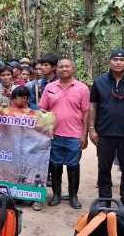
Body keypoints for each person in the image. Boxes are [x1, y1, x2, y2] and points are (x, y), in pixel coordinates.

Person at [88, 49, 124, 215]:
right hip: (104, 132)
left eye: (122, 60)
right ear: (110, 61)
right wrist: (91, 129)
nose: (118, 62)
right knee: (103, 167)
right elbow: (93, 106)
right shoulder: (99, 81)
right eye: (115, 59)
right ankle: (104, 199)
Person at [38, 58, 90, 210]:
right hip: (54, 135)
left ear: (73, 69)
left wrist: (84, 135)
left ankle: (73, 196)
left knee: (73, 166)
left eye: (67, 66)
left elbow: (87, 113)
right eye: (61, 67)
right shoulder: (50, 87)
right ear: (56, 69)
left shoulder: (82, 88)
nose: (64, 69)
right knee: (55, 166)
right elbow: (42, 109)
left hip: (74, 135)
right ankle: (56, 195)